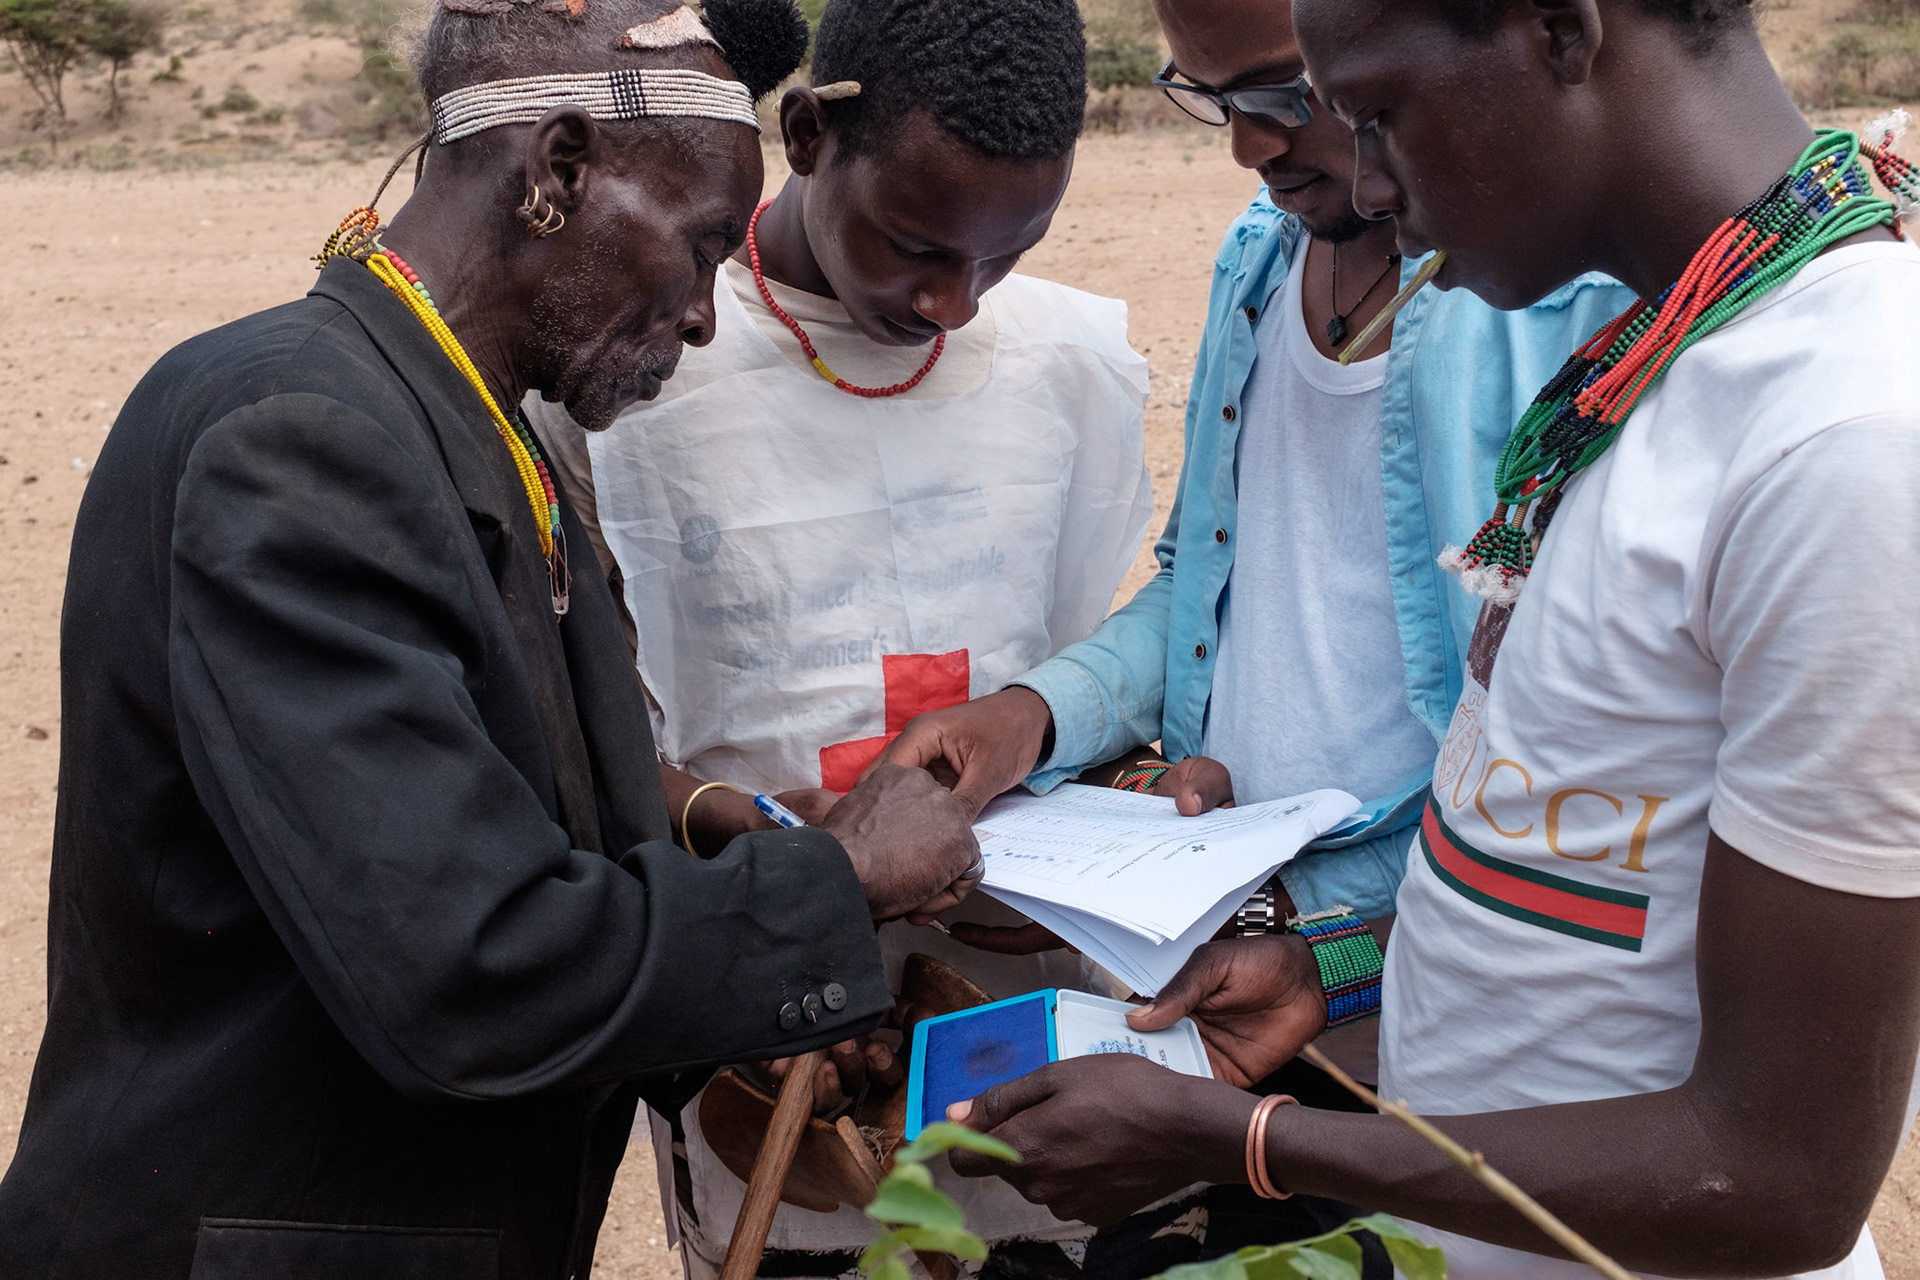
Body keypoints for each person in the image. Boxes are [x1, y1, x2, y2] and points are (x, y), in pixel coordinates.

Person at [0, 2, 985, 1277]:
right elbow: (466, 968)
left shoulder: (477, 422)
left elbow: (519, 826)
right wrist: (834, 879)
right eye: (696, 248)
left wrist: (752, 927)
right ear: (561, 170)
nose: (703, 314)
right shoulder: (301, 439)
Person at [940, 0, 1920, 1276]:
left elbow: (1778, 1180)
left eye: (1380, 113)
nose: (1373, 177)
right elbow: (1575, 872)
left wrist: (1253, 1144)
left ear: (1560, 34)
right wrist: (1334, 968)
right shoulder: (1653, 368)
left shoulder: (1847, 448)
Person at [522, 0, 1163, 1271]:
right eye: (916, 245)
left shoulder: (1069, 361)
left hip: (1018, 990)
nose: (956, 302)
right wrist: (786, 857)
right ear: (808, 134)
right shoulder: (632, 368)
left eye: (1007, 253)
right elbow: (578, 741)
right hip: (767, 1020)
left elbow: (1089, 667)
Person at [875, 0, 1633, 957]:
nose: (1251, 146)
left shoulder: (1573, 306)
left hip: (1434, 947)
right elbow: (1205, 586)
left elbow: (1582, 774)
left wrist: (1332, 947)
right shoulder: (1259, 261)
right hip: (1224, 923)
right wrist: (1037, 715)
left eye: (1285, 89)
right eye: (1215, 98)